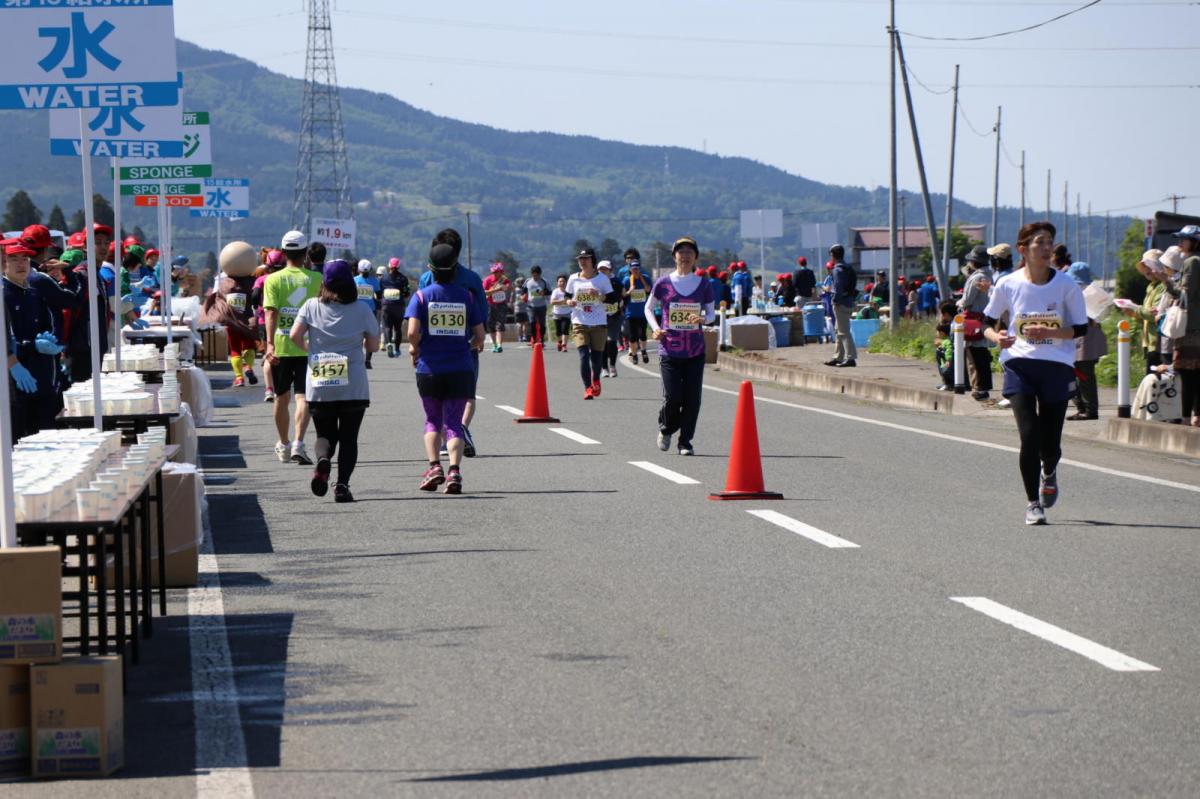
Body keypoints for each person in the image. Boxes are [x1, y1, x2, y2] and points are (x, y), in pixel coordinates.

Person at [982, 221, 1089, 525]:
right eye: (1040, 242)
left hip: (1056, 365)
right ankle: (1033, 503)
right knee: (1029, 436)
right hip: (1019, 364)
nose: (1046, 248)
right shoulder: (1008, 283)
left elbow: (1081, 327)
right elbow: (987, 321)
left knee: (1050, 442)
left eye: (1050, 242)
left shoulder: (1066, 284)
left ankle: (1050, 471)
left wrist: (1052, 332)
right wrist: (996, 338)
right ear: (1023, 249)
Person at [290, 259, 380, 503]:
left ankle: (322, 460)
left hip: (320, 377)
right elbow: (374, 345)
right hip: (353, 381)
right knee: (349, 437)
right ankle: (342, 485)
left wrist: (310, 349)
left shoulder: (310, 306)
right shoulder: (362, 309)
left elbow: (294, 335)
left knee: (324, 433)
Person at [406, 243, 485, 494]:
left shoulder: (421, 297)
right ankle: (454, 471)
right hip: (460, 367)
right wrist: (467, 346)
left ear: (430, 269)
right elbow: (480, 335)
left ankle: (434, 467)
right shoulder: (467, 296)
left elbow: (411, 332)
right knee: (454, 423)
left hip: (429, 368)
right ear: (455, 269)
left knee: (432, 420)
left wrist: (417, 349)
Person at [417, 228, 485, 456]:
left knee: (435, 403)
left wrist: (415, 349)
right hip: (464, 348)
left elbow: (417, 318)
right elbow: (482, 314)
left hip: (432, 352)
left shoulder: (427, 279)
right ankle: (461, 429)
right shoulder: (473, 280)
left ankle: (450, 438)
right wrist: (478, 339)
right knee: (467, 394)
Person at [645, 237, 715, 456]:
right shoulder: (663, 283)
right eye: (680, 251)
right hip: (669, 348)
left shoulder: (703, 284)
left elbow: (712, 313)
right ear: (674, 256)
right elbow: (649, 308)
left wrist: (703, 319)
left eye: (689, 251)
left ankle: (685, 442)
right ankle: (666, 428)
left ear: (695, 256)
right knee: (674, 397)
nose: (684, 255)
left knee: (693, 400)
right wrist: (655, 328)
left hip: (695, 350)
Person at [264, 230, 323, 465]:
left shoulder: (273, 279)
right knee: (303, 397)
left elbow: (270, 312)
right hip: (309, 346)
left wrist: (268, 343)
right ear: (305, 252)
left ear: (283, 252)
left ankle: (284, 444)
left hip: (281, 345)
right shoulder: (316, 279)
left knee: (281, 397)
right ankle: (299, 442)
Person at [3, 240, 67, 440]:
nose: (21, 264)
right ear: (4, 262)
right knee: (21, 441)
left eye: (25, 259)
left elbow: (46, 327)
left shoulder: (32, 292)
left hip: (42, 375)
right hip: (16, 380)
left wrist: (52, 343)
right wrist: (32, 346)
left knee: (46, 435)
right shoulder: (4, 294)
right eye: (14, 259)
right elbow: (6, 341)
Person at [565, 247, 616, 399]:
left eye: (586, 258)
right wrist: (570, 302)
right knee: (583, 355)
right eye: (580, 259)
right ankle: (587, 388)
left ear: (592, 260)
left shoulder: (602, 279)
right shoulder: (573, 278)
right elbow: (567, 296)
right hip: (579, 321)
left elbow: (612, 298)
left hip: (598, 322)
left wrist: (599, 295)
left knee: (596, 358)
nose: (582, 262)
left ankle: (596, 380)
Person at [1065, 263, 1107, 421]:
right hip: (1083, 341)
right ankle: (1083, 407)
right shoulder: (1094, 293)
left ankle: (1088, 409)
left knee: (1083, 376)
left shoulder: (1084, 295)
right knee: (1078, 376)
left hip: (1084, 343)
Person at [1170, 225, 1200, 426]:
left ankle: (1189, 417)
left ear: (1194, 242)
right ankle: (1193, 416)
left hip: (1191, 327)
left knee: (1190, 375)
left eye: (1184, 239)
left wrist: (1167, 281)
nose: (1180, 242)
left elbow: (1184, 295)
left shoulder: (1192, 262)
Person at [1123, 250, 1170, 374]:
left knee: (1155, 381)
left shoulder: (1163, 286)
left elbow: (1154, 314)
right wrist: (1134, 313)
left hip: (1158, 342)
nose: (1146, 270)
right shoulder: (1151, 286)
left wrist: (1135, 309)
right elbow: (1146, 313)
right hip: (1150, 342)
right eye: (1144, 267)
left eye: (1149, 265)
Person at [959, 244, 995, 401]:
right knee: (983, 354)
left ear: (974, 262)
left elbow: (967, 300)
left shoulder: (976, 278)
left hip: (974, 319)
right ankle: (984, 386)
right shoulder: (992, 275)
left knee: (973, 354)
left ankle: (978, 387)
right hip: (987, 319)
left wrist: (958, 303)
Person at [251, 249, 286, 401]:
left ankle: (269, 389)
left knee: (268, 355)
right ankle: (281, 386)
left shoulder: (262, 279)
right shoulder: (285, 279)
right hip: (283, 320)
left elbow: (253, 295)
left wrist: (257, 307)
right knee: (284, 355)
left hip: (263, 320)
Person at [825, 244, 857, 367]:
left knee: (844, 332)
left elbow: (838, 287)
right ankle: (838, 357)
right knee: (839, 330)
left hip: (841, 303)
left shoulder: (837, 269)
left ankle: (851, 358)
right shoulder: (848, 267)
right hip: (848, 300)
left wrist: (836, 301)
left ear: (833, 255)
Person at [379, 257, 411, 357]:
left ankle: (388, 343)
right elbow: (407, 293)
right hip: (399, 306)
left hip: (386, 306)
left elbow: (380, 292)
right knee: (397, 328)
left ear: (389, 266)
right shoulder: (403, 279)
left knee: (387, 326)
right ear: (399, 267)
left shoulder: (383, 278)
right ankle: (397, 349)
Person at [623, 261, 652, 364]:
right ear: (630, 269)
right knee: (632, 336)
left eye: (637, 268)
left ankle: (643, 351)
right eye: (633, 269)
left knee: (643, 334)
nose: (635, 270)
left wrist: (643, 281)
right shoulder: (627, 280)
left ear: (640, 269)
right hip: (630, 313)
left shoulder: (646, 278)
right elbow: (623, 295)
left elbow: (649, 290)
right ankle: (634, 354)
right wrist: (630, 291)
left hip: (643, 312)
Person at [353, 259, 381, 369]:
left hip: (356, 310)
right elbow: (379, 297)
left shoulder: (354, 280)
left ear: (359, 269)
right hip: (370, 311)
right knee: (370, 335)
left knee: (356, 335)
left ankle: (357, 358)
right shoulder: (374, 281)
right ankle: (368, 361)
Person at [598, 260, 622, 378]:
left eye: (605, 269)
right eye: (600, 269)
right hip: (600, 316)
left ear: (610, 270)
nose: (602, 272)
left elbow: (620, 296)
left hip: (614, 316)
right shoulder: (595, 282)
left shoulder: (616, 282)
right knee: (602, 343)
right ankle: (604, 368)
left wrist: (621, 305)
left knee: (612, 341)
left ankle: (612, 365)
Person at [482, 263, 511, 353]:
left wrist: (505, 287)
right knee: (491, 325)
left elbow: (508, 287)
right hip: (490, 305)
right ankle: (494, 344)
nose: (495, 273)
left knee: (500, 324)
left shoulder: (504, 279)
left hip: (501, 305)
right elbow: (484, 292)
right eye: (494, 272)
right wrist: (496, 290)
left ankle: (499, 345)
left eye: (497, 272)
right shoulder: (487, 280)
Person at [524, 265, 550, 345]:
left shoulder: (544, 282)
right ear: (531, 274)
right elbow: (524, 290)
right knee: (532, 323)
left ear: (540, 274)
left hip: (542, 305)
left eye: (537, 275)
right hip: (531, 306)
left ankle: (541, 339)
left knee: (542, 324)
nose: (535, 276)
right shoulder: (528, 281)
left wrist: (544, 293)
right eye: (533, 275)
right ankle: (534, 340)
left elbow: (550, 292)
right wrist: (523, 295)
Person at [549, 275, 572, 352]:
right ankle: (559, 342)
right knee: (558, 331)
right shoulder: (556, 291)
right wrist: (563, 301)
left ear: (566, 282)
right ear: (557, 283)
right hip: (557, 313)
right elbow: (552, 302)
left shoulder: (569, 291)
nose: (562, 283)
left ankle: (564, 345)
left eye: (563, 281)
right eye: (560, 281)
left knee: (565, 329)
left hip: (567, 313)